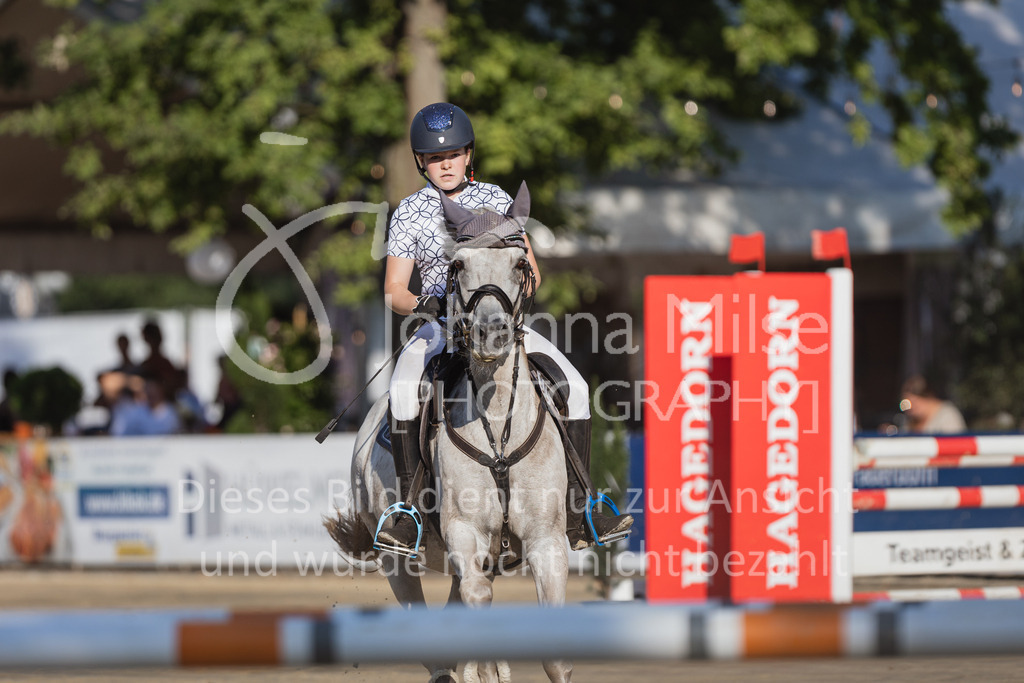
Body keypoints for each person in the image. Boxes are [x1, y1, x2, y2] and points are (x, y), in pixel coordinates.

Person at [375, 102, 633, 554]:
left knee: (571, 384)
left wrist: (513, 290)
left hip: (501, 325)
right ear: (421, 162)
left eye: (453, 154)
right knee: (402, 389)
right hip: (441, 326)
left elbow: (532, 269)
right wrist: (424, 301)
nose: (445, 164)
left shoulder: (497, 201)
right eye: (435, 158)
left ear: (469, 154)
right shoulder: (410, 212)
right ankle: (408, 511)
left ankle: (582, 504)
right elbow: (393, 290)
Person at [899, 374, 966, 434]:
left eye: (913, 403)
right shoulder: (910, 421)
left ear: (928, 397)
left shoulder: (947, 416)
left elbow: (954, 444)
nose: (910, 408)